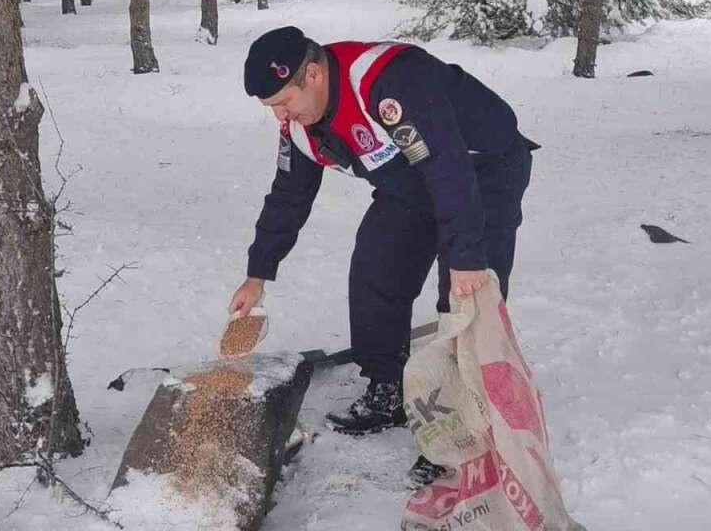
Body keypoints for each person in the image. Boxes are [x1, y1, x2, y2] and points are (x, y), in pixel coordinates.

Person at [228, 26, 537, 483]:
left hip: (481, 168)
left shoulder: (386, 83)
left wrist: (466, 259)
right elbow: (287, 197)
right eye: (271, 107)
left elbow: (448, 170)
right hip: (409, 180)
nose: (279, 116)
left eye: (282, 102)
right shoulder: (299, 125)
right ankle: (386, 388)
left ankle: (459, 430)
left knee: (464, 300)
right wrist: (259, 272)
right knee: (376, 272)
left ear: (312, 74)